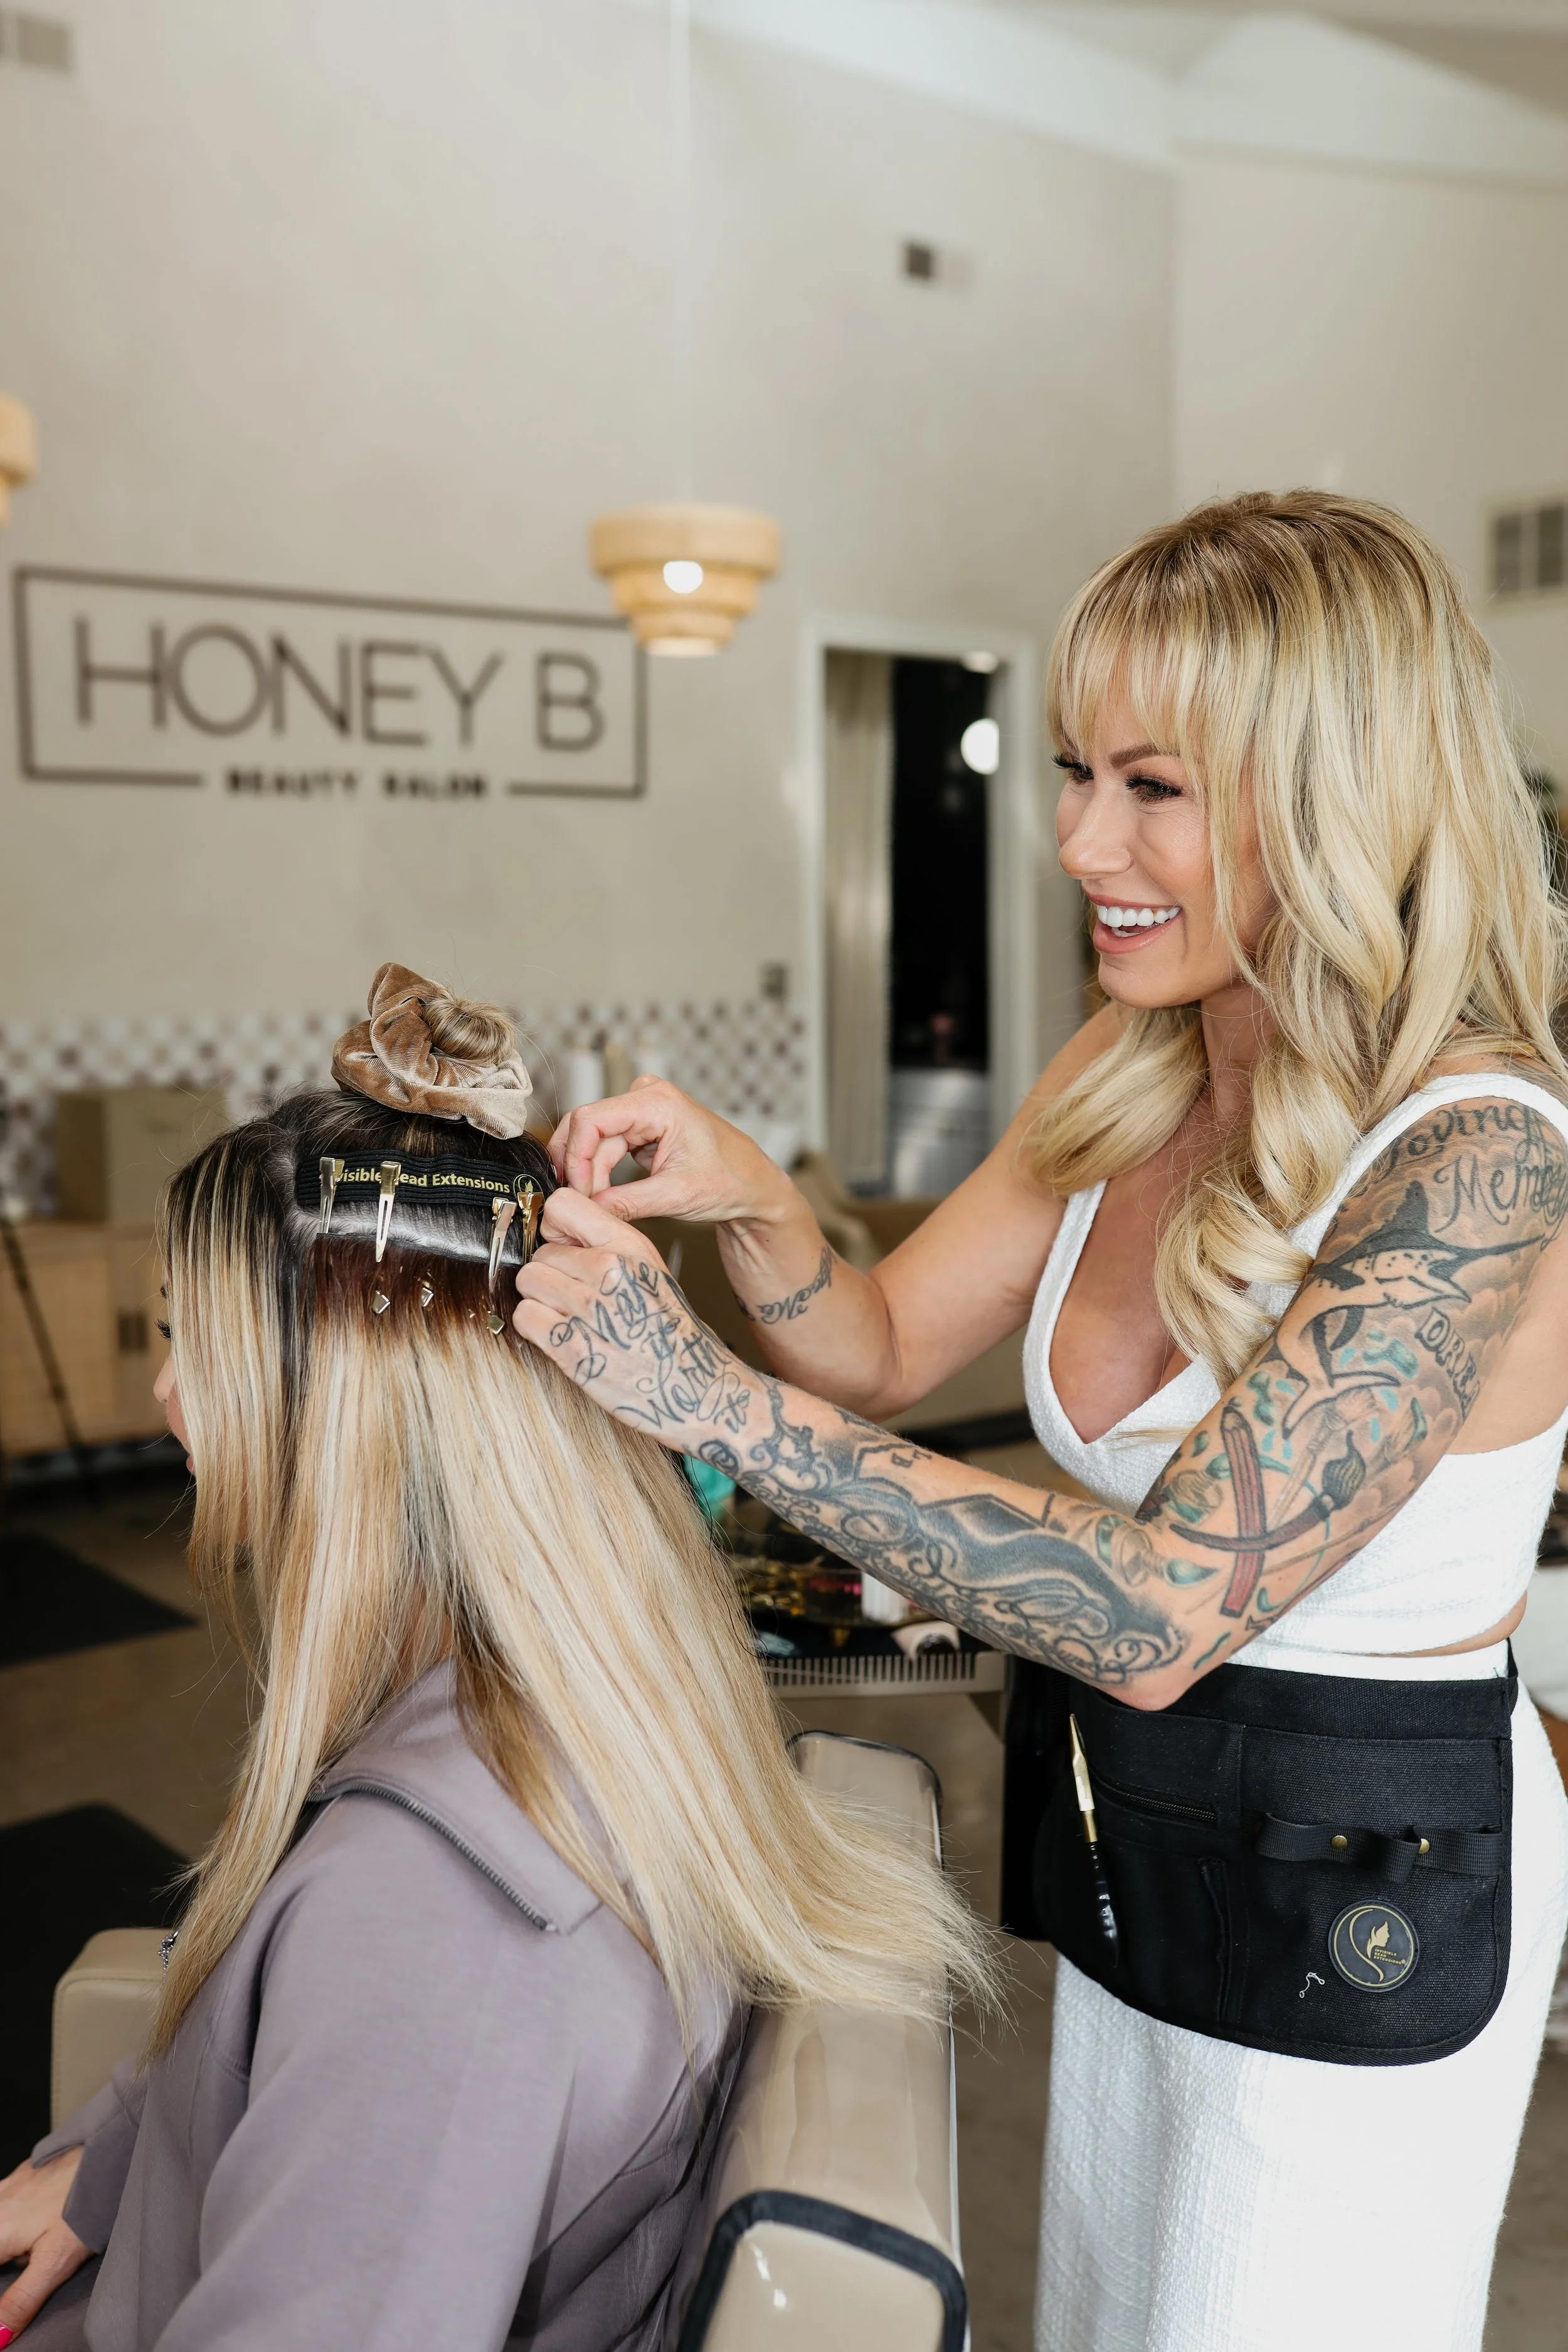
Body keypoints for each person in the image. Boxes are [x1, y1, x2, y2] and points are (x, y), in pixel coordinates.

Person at [510, 493, 1568, 2352]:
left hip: (1366, 1892)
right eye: (1078, 770)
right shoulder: (1131, 1060)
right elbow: (880, 1347)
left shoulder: (1478, 1156)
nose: (1080, 839)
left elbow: (1157, 1609)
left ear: (1332, 795)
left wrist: (701, 1403)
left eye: (1153, 786)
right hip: (1144, 1842)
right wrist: (752, 1198)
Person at [0, 968, 989, 2352]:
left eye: (195, 1340)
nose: (170, 1392)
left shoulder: (438, 1933)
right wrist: (121, 2164)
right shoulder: (580, 1706)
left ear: (356, 1408)